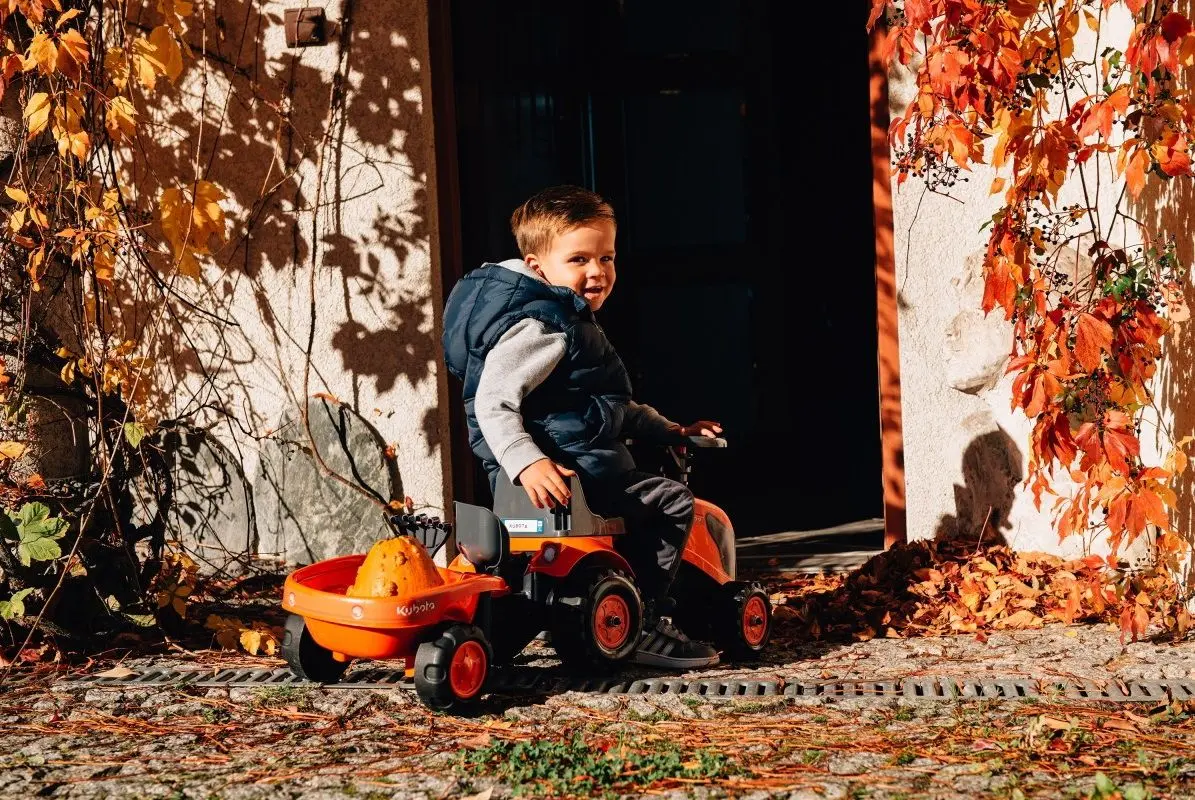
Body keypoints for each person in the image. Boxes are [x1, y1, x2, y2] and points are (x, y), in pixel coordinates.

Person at [441, 185, 723, 669]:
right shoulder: (544, 327)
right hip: (573, 478)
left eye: (607, 257)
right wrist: (527, 462)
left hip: (571, 469)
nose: (598, 272)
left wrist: (670, 429)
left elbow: (611, 407)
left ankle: (530, 620)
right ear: (536, 266)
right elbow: (492, 403)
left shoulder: (568, 321)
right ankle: (648, 616)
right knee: (674, 502)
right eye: (579, 260)